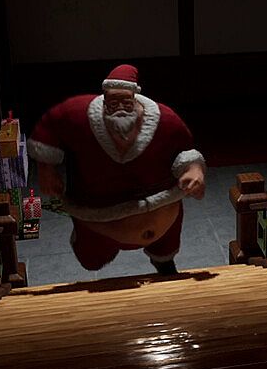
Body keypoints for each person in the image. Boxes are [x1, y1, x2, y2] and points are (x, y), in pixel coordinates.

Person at [28, 64, 206, 275]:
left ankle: (164, 261)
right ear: (104, 101)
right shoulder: (78, 114)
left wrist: (194, 169)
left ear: (135, 98)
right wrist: (46, 168)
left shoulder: (164, 119)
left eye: (126, 102)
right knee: (91, 258)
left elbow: (185, 150)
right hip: (98, 214)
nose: (120, 107)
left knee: (165, 252)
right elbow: (50, 126)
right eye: (113, 103)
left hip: (160, 213)